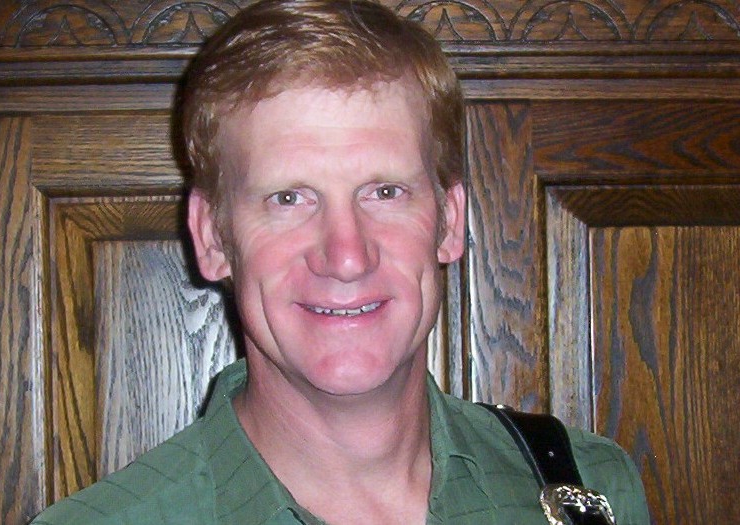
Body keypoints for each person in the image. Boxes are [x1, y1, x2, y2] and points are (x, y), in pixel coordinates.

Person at [31, 0, 650, 524]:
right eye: (288, 198)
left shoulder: (588, 488)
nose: (347, 256)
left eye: (385, 192)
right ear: (212, 237)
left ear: (449, 221)